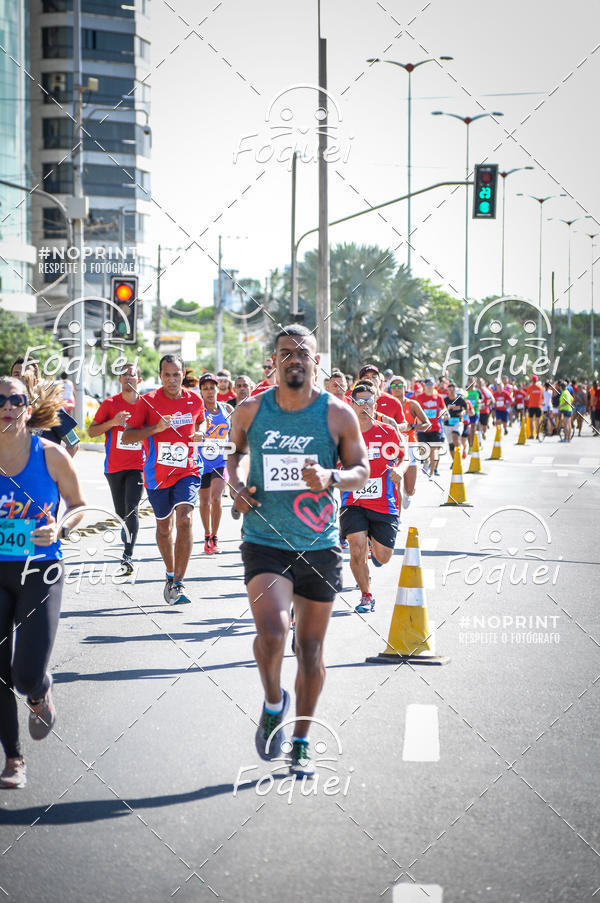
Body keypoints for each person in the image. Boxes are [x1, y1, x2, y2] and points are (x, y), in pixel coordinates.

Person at [228, 324, 368, 776]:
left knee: (309, 651)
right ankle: (273, 702)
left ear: (315, 360)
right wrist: (236, 488)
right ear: (273, 361)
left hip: (319, 544)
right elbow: (231, 455)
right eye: (285, 352)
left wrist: (333, 477)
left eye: (301, 352)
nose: (293, 359)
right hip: (265, 540)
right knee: (272, 631)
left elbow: (362, 470)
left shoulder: (338, 414)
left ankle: (302, 739)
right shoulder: (251, 410)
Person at [0, 375, 85, 789]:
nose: (7, 406)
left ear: (28, 409)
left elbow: (80, 507)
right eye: (0, 400)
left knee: (24, 674)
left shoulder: (50, 455)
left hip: (41, 569)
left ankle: (39, 691)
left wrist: (61, 530)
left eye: (16, 400)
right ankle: (14, 759)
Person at [122, 354, 206, 605]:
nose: (172, 379)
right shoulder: (148, 402)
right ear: (160, 376)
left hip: (187, 469)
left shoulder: (194, 400)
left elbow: (200, 420)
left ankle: (178, 581)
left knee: (185, 518)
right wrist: (155, 429)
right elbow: (127, 437)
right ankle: (170, 573)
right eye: (167, 374)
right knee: (163, 527)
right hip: (157, 474)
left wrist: (200, 433)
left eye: (176, 374)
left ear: (183, 374)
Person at [340, 382, 407, 613]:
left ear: (376, 403)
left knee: (384, 556)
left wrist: (400, 469)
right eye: (360, 402)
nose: (365, 406)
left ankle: (373, 545)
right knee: (356, 550)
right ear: (352, 404)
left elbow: (404, 457)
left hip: (384, 503)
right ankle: (366, 595)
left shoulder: (387, 431)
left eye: (369, 401)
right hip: (353, 503)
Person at [88, 363, 145, 574]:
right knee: (121, 512)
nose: (129, 377)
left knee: (132, 507)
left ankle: (127, 555)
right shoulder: (110, 403)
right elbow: (92, 432)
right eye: (125, 374)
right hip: (114, 467)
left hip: (138, 465)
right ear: (120, 380)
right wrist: (113, 421)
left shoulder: (146, 405)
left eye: (133, 374)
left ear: (139, 380)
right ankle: (125, 528)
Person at [11, 359, 80, 457]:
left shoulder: (50, 407)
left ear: (37, 381)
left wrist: (55, 470)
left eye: (26, 375)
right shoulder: (4, 407)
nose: (21, 378)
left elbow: (73, 443)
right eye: (16, 374)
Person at [197, 373, 233, 554]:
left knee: (216, 498)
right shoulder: (199, 411)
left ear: (217, 389)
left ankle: (215, 536)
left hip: (221, 460)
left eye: (212, 387)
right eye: (205, 388)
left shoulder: (226, 408)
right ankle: (207, 535)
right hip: (202, 461)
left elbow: (234, 432)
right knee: (204, 502)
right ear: (201, 392)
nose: (209, 392)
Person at [388, 376, 429, 508]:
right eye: (393, 386)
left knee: (410, 489)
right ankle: (397, 517)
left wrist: (412, 427)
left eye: (400, 385)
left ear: (405, 388)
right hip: (391, 446)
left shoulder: (412, 404)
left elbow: (427, 423)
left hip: (410, 445)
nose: (397, 388)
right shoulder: (385, 403)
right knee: (394, 484)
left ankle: (407, 494)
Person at [412, 376, 448, 476]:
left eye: (430, 384)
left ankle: (432, 472)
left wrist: (443, 412)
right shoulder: (419, 398)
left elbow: (444, 408)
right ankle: (426, 461)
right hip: (423, 428)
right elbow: (414, 410)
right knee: (423, 450)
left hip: (435, 427)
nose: (429, 386)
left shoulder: (438, 397)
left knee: (434, 450)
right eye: (427, 384)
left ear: (433, 385)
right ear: (424, 386)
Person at [443, 382, 469, 461]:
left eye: (453, 389)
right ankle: (455, 461)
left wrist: (463, 412)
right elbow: (441, 410)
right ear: (447, 391)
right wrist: (444, 415)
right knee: (451, 445)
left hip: (458, 422)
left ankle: (459, 455)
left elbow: (466, 408)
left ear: (455, 391)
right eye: (450, 390)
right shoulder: (445, 400)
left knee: (455, 436)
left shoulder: (460, 400)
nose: (451, 391)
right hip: (448, 424)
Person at [525, 375, 544, 439]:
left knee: (531, 421)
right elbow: (543, 397)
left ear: (532, 380)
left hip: (531, 406)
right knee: (538, 421)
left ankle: (532, 435)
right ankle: (538, 435)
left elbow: (527, 397)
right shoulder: (541, 387)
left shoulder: (530, 387)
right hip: (538, 406)